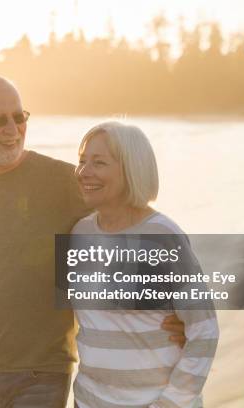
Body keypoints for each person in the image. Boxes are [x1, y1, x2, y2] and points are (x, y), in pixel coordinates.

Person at [0, 74, 187, 408]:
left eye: (19, 117)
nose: (12, 130)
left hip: (41, 375)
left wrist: (184, 310)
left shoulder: (67, 182)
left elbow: (139, 228)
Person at [70, 122, 219, 408]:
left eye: (99, 163)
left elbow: (204, 330)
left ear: (132, 169)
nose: (84, 172)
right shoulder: (79, 234)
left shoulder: (163, 237)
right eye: (82, 161)